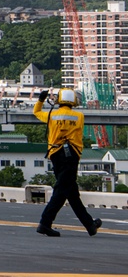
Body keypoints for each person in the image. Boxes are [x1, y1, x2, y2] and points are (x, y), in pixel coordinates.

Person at [33, 88, 102, 237]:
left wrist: (41, 100)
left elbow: (37, 113)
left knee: (71, 191)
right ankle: (45, 223)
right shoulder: (79, 116)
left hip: (55, 154)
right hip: (71, 155)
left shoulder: (52, 115)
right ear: (73, 101)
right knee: (62, 190)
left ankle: (90, 225)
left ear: (59, 100)